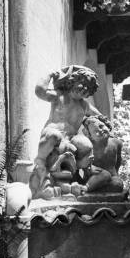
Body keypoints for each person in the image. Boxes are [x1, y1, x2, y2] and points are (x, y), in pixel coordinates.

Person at [30, 65, 102, 199]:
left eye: (88, 89)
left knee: (86, 145)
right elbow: (40, 91)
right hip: (52, 136)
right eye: (82, 85)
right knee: (54, 135)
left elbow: (99, 117)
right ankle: (40, 161)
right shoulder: (59, 96)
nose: (84, 90)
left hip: (69, 140)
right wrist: (49, 74)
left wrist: (99, 126)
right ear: (72, 82)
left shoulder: (84, 105)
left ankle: (84, 176)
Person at [81, 115, 123, 193]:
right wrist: (90, 167)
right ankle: (86, 188)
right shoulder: (89, 145)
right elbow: (83, 162)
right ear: (90, 136)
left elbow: (118, 162)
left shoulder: (117, 143)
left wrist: (115, 174)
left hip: (112, 177)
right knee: (104, 175)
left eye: (101, 126)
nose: (100, 130)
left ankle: (95, 190)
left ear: (106, 124)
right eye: (95, 131)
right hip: (94, 176)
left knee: (118, 185)